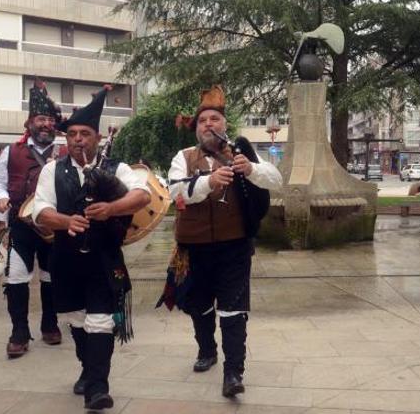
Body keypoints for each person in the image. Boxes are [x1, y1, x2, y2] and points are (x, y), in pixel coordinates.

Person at [33, 86, 150, 411]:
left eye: (85, 134)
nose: (78, 140)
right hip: (66, 260)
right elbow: (39, 210)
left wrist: (112, 209)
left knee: (100, 320)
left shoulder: (118, 168)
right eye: (72, 134)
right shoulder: (52, 170)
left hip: (104, 258)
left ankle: (97, 388)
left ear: (97, 137)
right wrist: (65, 221)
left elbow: (141, 196)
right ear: (65, 139)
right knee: (77, 321)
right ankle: (88, 368)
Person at [167, 86, 282, 398]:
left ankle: (233, 372)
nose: (209, 124)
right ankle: (207, 350)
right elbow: (174, 192)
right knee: (199, 306)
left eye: (215, 119)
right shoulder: (184, 157)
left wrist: (252, 169)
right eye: (203, 120)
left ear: (224, 125)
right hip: (193, 247)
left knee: (233, 310)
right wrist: (207, 182)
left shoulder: (242, 153)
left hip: (234, 246)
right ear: (196, 127)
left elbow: (276, 179)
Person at [0, 81, 64, 359]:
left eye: (50, 120)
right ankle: (19, 332)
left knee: (51, 276)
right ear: (30, 122)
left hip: (54, 226)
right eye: (40, 119)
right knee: (17, 277)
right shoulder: (12, 151)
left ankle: (50, 324)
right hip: (21, 225)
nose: (45, 124)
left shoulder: (64, 152)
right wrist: (0, 196)